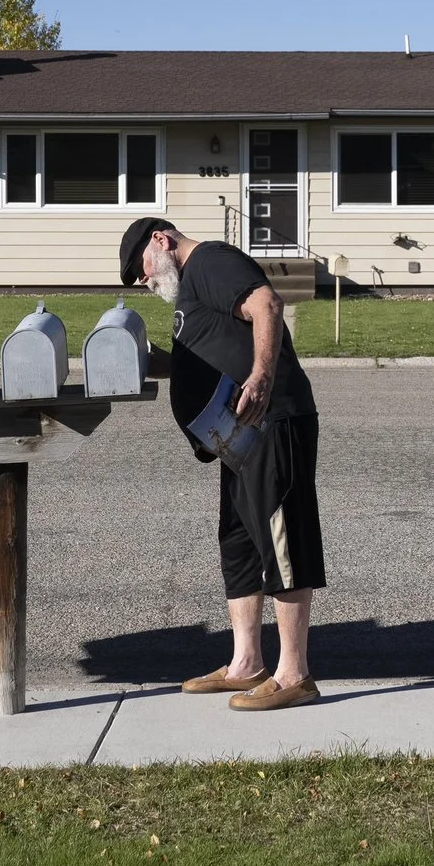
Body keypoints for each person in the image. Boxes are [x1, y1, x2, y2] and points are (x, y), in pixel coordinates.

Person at [119, 216, 324, 711]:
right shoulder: (194, 283)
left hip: (271, 419)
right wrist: (147, 360)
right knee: (239, 542)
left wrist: (260, 378)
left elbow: (266, 305)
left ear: (160, 241)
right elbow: (206, 351)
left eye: (141, 269)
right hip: (235, 436)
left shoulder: (210, 262)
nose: (145, 281)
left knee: (281, 537)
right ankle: (245, 664)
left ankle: (294, 673)